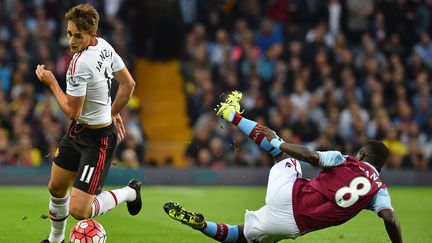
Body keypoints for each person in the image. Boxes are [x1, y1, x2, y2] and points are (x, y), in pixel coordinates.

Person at [164, 91, 403, 243]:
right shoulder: (379, 190)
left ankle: (230, 114)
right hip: (294, 226)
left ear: (362, 153)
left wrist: (278, 141)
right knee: (242, 237)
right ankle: (203, 226)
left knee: (278, 150)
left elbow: (309, 156)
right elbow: (390, 218)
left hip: (290, 195)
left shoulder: (346, 160)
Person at [35, 4, 141, 243]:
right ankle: (55, 240)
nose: (71, 40)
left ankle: (130, 192)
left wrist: (52, 82)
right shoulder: (104, 45)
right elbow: (128, 84)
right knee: (56, 188)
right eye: (69, 33)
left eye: (77, 36)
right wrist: (111, 111)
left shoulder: (78, 64)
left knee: (80, 211)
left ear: (91, 35)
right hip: (78, 132)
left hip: (98, 140)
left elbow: (72, 111)